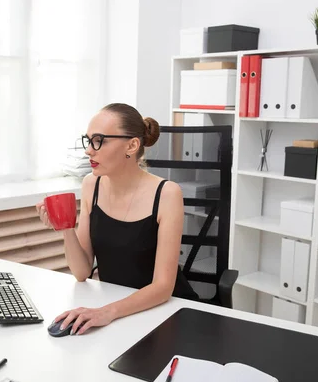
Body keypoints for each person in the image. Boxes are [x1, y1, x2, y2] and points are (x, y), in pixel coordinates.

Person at [36, 103, 198, 336]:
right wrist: (65, 226)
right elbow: (81, 271)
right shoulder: (92, 184)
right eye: (88, 140)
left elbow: (163, 287)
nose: (89, 151)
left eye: (99, 141)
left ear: (132, 145)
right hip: (118, 309)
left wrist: (107, 312)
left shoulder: (167, 193)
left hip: (165, 313)